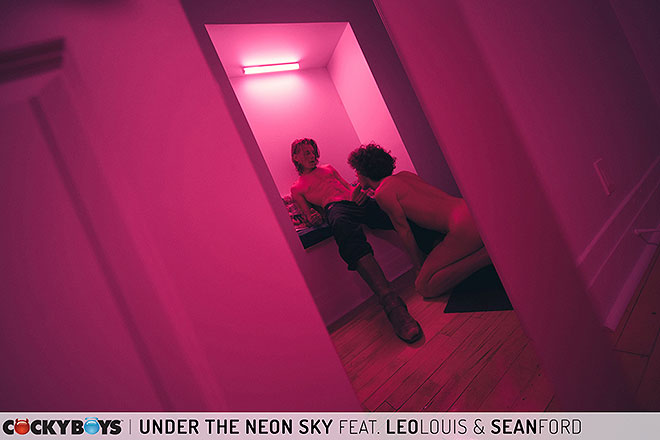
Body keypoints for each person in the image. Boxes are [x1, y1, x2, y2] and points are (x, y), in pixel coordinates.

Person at [290, 138, 422, 343]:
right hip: (336, 209)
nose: (312, 155)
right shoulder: (297, 187)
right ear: (296, 157)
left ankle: (435, 247)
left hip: (355, 201)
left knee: (393, 208)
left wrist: (360, 193)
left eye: (313, 151)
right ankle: (392, 303)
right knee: (342, 226)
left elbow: (347, 186)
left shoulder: (328, 168)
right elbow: (309, 215)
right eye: (306, 152)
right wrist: (313, 217)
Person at [348, 143, 491, 298]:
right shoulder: (405, 175)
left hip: (462, 226)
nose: (356, 176)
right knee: (439, 268)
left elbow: (405, 233)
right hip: (470, 210)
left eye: (356, 172)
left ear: (363, 173)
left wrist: (418, 267)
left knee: (424, 286)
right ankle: (487, 249)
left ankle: (486, 256)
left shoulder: (383, 193)